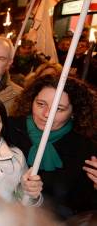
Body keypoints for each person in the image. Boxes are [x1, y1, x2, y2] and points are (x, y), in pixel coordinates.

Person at [9, 75, 97, 219]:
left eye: (59, 109)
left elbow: (85, 210)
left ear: (74, 112)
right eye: (41, 104)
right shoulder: (9, 129)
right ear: (31, 101)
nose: (46, 114)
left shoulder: (85, 149)